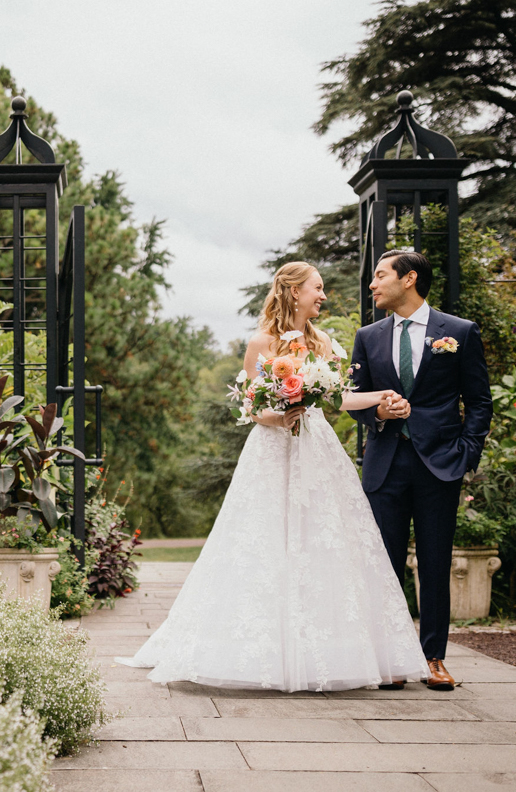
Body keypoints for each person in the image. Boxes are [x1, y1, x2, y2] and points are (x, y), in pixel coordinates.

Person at [117, 261, 427, 692]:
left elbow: (340, 398)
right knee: (262, 540)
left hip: (315, 450)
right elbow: (250, 407)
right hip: (272, 448)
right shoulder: (261, 342)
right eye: (317, 289)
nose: (323, 296)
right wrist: (278, 420)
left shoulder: (324, 343)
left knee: (325, 541)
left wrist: (383, 396)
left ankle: (333, 649)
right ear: (293, 291)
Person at [349, 250, 493, 691]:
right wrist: (380, 414)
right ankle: (392, 659)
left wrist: (466, 453)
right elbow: (355, 399)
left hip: (440, 465)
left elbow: (480, 402)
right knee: (385, 565)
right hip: (385, 464)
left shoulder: (459, 332)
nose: (372, 285)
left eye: (379, 276)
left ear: (409, 279)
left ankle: (434, 658)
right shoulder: (367, 336)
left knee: (434, 564)